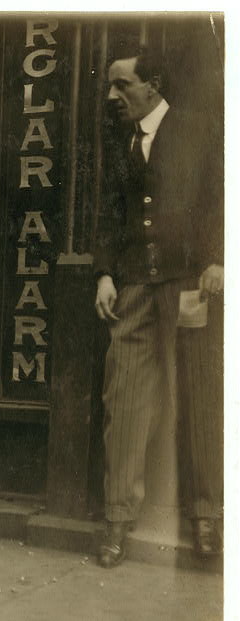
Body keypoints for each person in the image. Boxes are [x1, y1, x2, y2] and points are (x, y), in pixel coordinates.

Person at [92, 46, 224, 567]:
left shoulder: (199, 129)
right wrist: (104, 272)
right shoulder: (123, 142)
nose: (112, 95)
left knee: (198, 397)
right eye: (110, 85)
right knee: (122, 400)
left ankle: (207, 517)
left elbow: (221, 195)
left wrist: (216, 258)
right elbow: (110, 212)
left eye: (122, 85)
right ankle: (117, 522)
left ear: (153, 85)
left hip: (190, 284)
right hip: (134, 290)